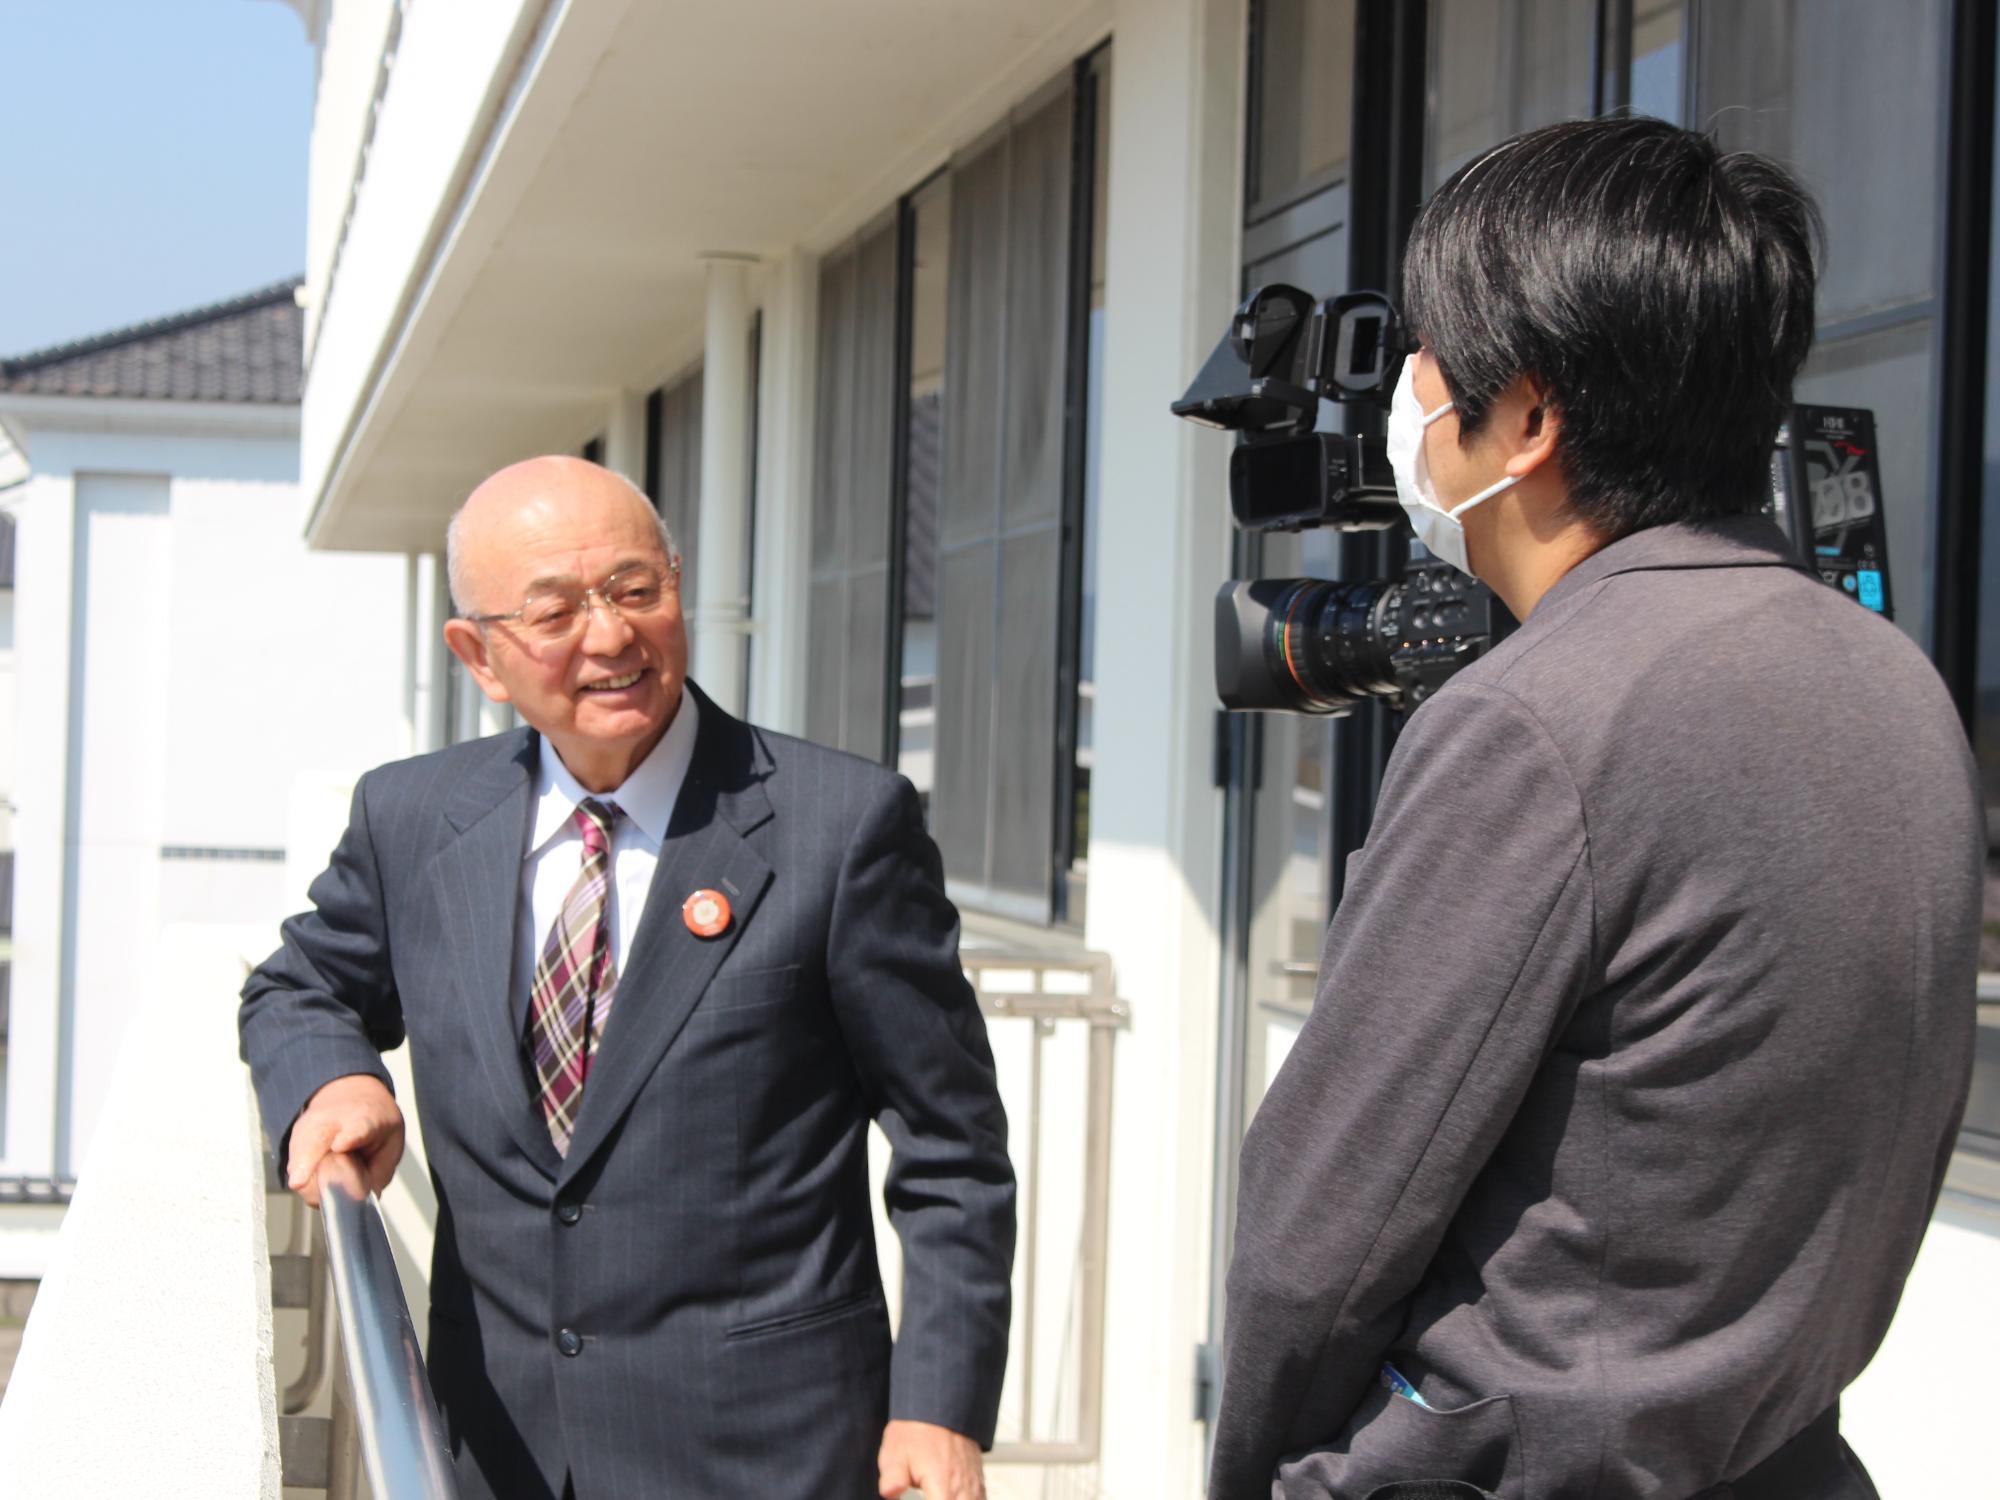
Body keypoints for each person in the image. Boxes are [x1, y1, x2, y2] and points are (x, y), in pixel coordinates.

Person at [1209, 117, 1978, 1500]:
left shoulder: (1538, 719)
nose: (1414, 407)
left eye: (1429, 368)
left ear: (1532, 418)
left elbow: (1313, 1240)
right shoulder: (1901, 688)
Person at [239, 456, 1015, 1500]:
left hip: (767, 1456)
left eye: (634, 590)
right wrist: (335, 1081)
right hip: (499, 1448)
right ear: (479, 654)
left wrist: (936, 1406)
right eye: (553, 612)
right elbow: (298, 986)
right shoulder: (412, 820)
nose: (608, 637)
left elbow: (952, 1146)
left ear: (676, 586)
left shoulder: (841, 828)